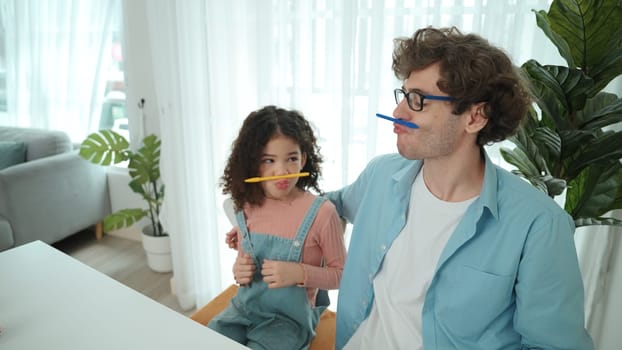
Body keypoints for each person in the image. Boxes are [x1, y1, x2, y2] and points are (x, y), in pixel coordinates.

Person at [323, 26, 594, 349]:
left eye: (418, 100)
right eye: (404, 94)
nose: (398, 112)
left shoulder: (539, 225)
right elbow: (325, 207)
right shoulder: (381, 175)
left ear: (475, 117)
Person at [209, 105, 347, 350]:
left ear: (303, 159)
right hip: (243, 309)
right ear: (252, 165)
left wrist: (299, 273)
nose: (281, 171)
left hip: (288, 322)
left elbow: (343, 276)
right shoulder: (245, 206)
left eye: (291, 159)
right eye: (268, 160)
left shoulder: (323, 214)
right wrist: (238, 270)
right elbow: (244, 265)